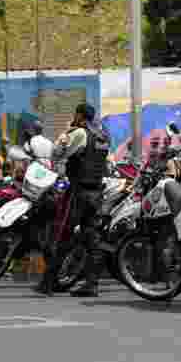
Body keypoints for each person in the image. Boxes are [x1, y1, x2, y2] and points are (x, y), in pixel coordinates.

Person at [35, 102, 110, 298]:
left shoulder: (80, 133)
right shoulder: (102, 136)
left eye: (75, 114)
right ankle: (91, 284)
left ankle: (48, 283)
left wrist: (63, 136)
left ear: (80, 115)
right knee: (92, 238)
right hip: (96, 193)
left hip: (78, 193)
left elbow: (57, 154)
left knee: (62, 235)